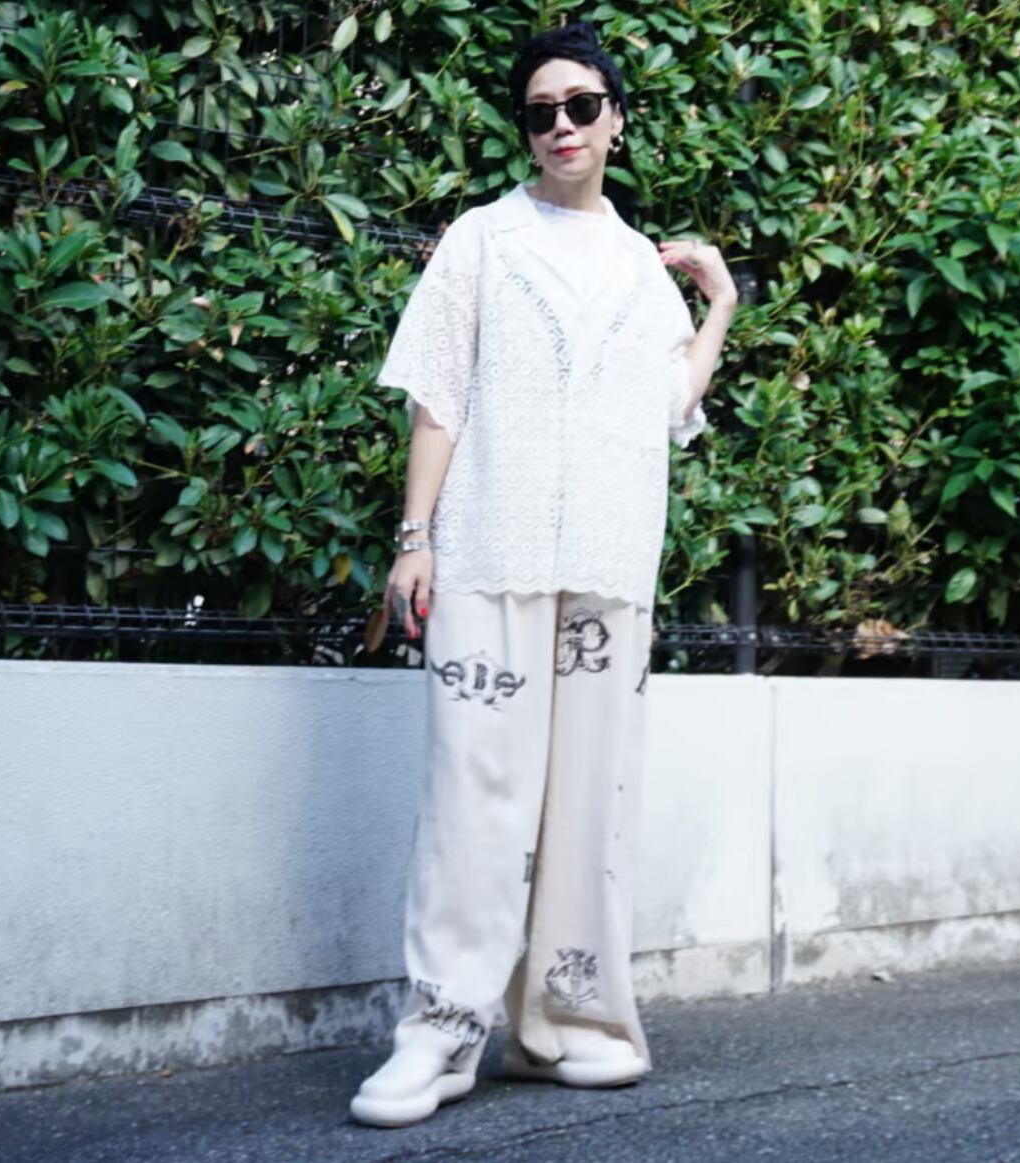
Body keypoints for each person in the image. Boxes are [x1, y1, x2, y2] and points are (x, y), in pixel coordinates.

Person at [349, 21, 737, 1128]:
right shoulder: (481, 240)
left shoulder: (640, 266)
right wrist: (415, 535)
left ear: (616, 119)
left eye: (580, 105)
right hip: (490, 548)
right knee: (472, 793)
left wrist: (719, 304)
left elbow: (671, 404)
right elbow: (439, 396)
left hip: (609, 562)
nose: (560, 125)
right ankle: (438, 1031)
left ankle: (567, 1020)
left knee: (588, 800)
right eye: (539, 111)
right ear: (525, 129)